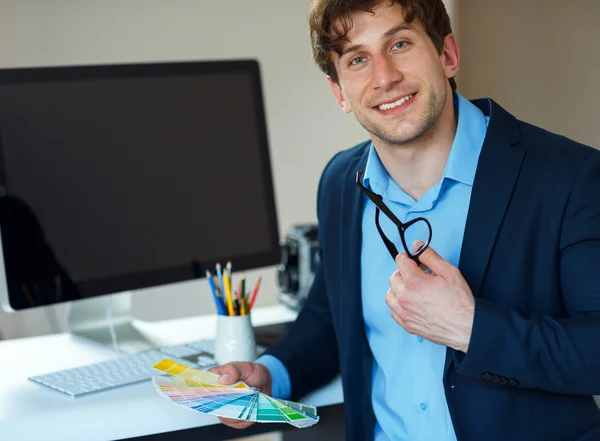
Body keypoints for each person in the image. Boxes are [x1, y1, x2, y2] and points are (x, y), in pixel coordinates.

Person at [209, 1, 600, 440]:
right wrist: (272, 375)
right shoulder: (341, 181)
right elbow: (329, 321)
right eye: (357, 59)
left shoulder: (571, 176)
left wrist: (472, 328)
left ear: (447, 55)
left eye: (399, 43)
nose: (384, 77)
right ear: (340, 92)